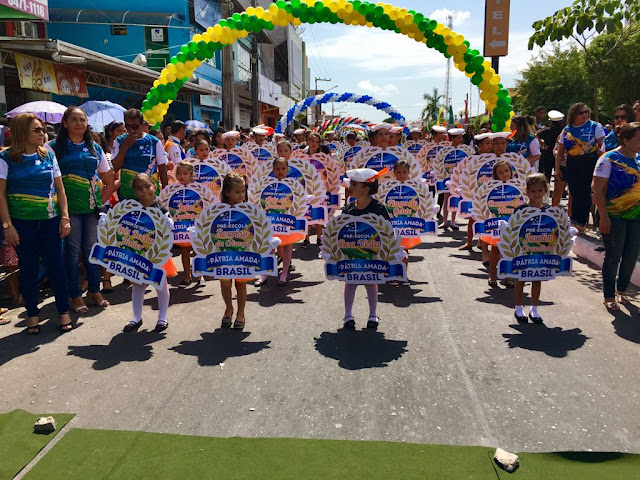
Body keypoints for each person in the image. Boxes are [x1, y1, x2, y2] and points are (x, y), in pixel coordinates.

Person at [0, 113, 72, 334]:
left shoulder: (48, 156)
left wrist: (65, 217)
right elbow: (1, 195)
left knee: (56, 268)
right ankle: (32, 313)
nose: (43, 134)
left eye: (44, 129)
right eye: (37, 130)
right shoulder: (6, 158)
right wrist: (7, 226)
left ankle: (64, 312)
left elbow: (60, 189)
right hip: (22, 224)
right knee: (29, 269)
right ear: (23, 132)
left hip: (50, 222)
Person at [48, 106, 114, 314]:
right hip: (69, 211)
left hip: (92, 210)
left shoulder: (94, 147)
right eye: (74, 119)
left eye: (82, 119)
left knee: (91, 250)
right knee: (72, 251)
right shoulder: (52, 148)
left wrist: (99, 201)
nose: (79, 123)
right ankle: (75, 295)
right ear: (65, 123)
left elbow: (108, 179)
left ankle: (94, 291)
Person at [592, 122, 640, 311]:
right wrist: (603, 217)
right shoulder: (608, 159)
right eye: (638, 139)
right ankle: (609, 296)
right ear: (626, 140)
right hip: (613, 216)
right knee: (614, 255)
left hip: (636, 217)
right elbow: (598, 190)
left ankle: (622, 291)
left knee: (631, 255)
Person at [122, 173, 175, 332]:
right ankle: (136, 318)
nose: (144, 191)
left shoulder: (161, 209)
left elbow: (168, 231)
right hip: (139, 254)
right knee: (138, 285)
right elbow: (124, 228)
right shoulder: (132, 208)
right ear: (134, 191)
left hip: (157, 254)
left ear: (155, 186)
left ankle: (162, 318)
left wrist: (168, 223)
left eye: (147, 186)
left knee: (160, 285)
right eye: (139, 188)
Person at [341, 167, 391, 330]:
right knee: (350, 282)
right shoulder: (349, 208)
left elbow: (387, 230)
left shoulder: (378, 208)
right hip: (352, 254)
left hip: (372, 254)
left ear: (366, 189)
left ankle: (372, 314)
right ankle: (348, 315)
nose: (350, 186)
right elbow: (339, 229)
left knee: (371, 282)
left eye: (354, 184)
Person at [555, 103, 605, 232]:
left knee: (585, 191)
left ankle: (582, 221)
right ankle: (575, 220)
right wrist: (557, 169)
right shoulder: (567, 129)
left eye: (586, 112)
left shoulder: (595, 126)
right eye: (581, 113)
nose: (584, 115)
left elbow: (603, 147)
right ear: (573, 115)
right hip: (572, 162)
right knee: (574, 190)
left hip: (590, 161)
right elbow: (560, 151)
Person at [513, 174, 550, 324]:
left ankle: (534, 308)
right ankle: (518, 307)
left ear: (545, 190)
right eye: (533, 191)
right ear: (527, 191)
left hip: (541, 252)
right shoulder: (521, 210)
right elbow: (514, 230)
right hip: (523, 251)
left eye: (540, 190)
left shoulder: (549, 211)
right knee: (520, 279)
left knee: (537, 278)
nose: (537, 194)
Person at [255, 157, 297, 287]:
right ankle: (265, 273)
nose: (280, 171)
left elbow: (299, 198)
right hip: (272, 220)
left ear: (288, 169)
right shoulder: (267, 184)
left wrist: (307, 198)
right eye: (277, 169)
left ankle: (284, 273)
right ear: (273, 170)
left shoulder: (293, 184)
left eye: (283, 168)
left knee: (287, 245)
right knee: (270, 246)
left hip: (287, 220)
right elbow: (260, 198)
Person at [111, 108, 169, 200]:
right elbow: (114, 168)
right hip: (127, 196)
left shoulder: (154, 142)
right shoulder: (119, 141)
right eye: (128, 126)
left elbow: (162, 169)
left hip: (150, 196)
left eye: (134, 126)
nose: (131, 130)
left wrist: (165, 194)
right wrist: (125, 146)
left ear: (142, 125)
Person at [219, 173, 249, 330]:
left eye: (243, 191)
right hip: (223, 254)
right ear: (227, 193)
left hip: (242, 254)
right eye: (238, 192)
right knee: (225, 284)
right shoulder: (218, 211)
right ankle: (229, 307)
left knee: (241, 284)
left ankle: (241, 313)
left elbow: (258, 229)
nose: (241, 195)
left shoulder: (249, 210)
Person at [459, 132, 493, 252]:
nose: (490, 145)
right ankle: (469, 242)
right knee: (473, 218)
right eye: (487, 143)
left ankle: (481, 242)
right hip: (476, 193)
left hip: (490, 194)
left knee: (487, 219)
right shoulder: (473, 158)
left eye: (491, 143)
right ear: (479, 145)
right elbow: (466, 175)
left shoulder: (495, 158)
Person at [173, 161, 202, 289]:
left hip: (195, 225)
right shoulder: (173, 190)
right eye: (178, 173)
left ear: (191, 174)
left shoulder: (199, 189)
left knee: (197, 251)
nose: (181, 176)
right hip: (181, 227)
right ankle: (187, 276)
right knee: (184, 251)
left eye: (185, 173)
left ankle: (199, 276)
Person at [487, 160, 516, 288]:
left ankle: (508, 276)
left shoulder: (517, 187)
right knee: (495, 248)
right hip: (496, 223)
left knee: (510, 249)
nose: (504, 174)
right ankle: (493, 276)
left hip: (512, 223)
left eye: (506, 171)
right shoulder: (491, 189)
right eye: (500, 172)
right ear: (495, 175)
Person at [301, 133, 330, 248]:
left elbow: (328, 172)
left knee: (318, 214)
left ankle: (319, 238)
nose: (314, 144)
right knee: (306, 214)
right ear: (308, 141)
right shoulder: (302, 156)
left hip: (319, 188)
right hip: (305, 188)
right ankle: (306, 239)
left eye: (317, 142)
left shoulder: (322, 158)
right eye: (312, 141)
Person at [537, 110, 565, 182]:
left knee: (547, 173)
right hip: (561, 153)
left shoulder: (548, 130)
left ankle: (547, 190)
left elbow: (536, 135)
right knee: (560, 173)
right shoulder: (564, 130)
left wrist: (542, 143)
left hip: (549, 152)